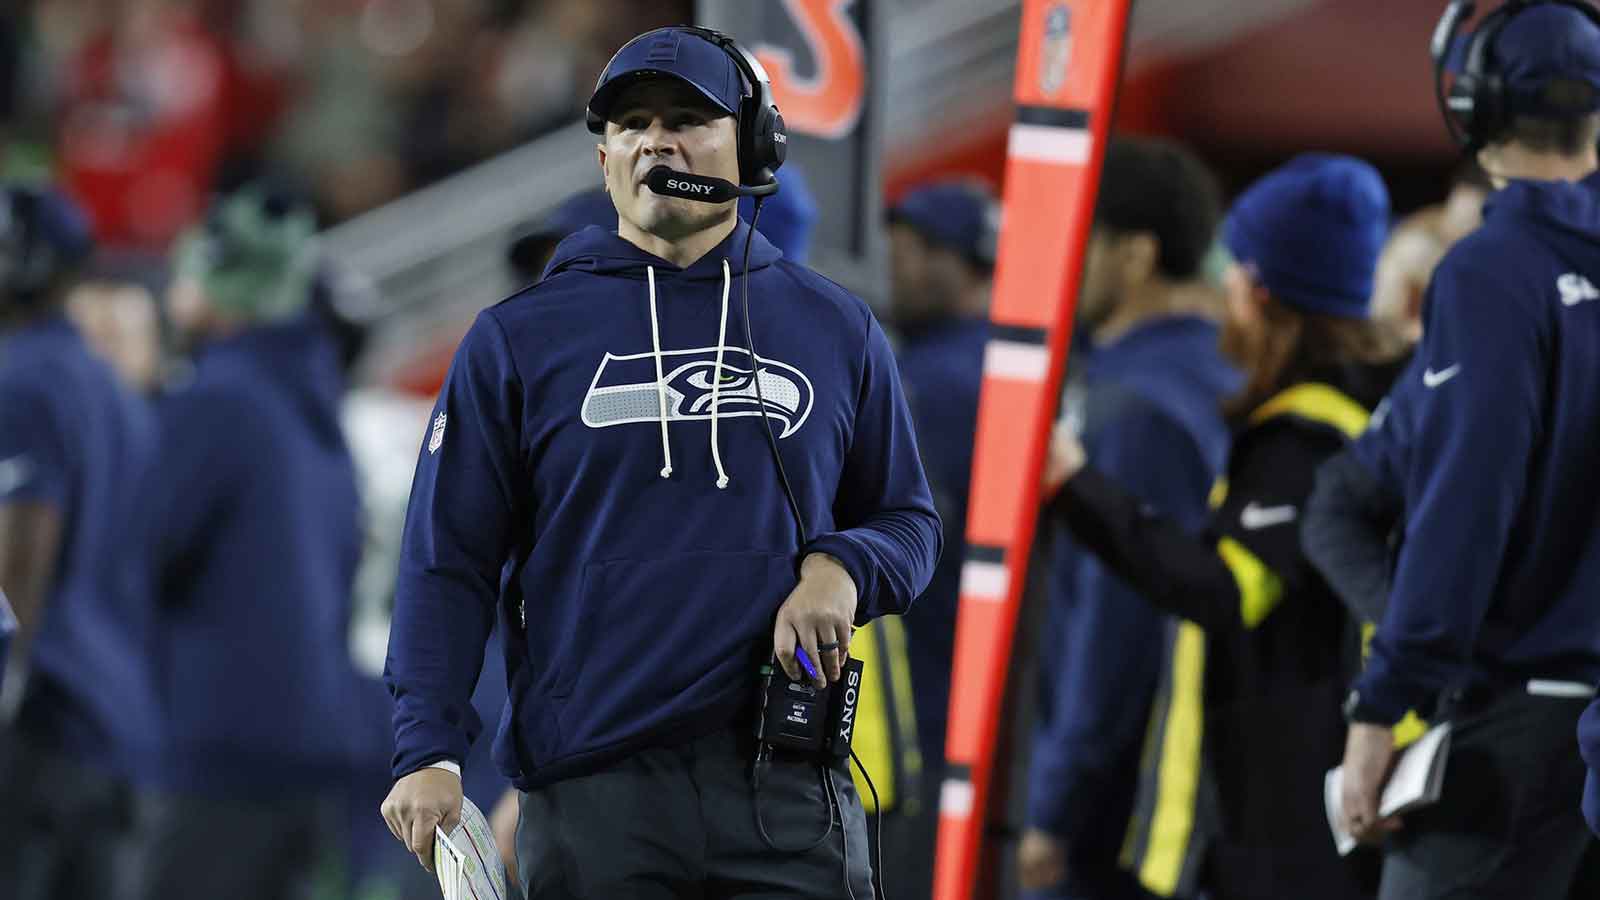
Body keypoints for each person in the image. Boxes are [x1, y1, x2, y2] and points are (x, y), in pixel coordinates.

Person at [380, 24, 941, 900]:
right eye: (633, 123)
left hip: (787, 794)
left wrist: (843, 568)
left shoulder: (834, 328)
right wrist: (427, 749)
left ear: (753, 148)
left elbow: (909, 522)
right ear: (605, 158)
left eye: (688, 119)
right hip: (600, 800)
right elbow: (445, 561)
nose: (656, 140)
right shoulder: (517, 340)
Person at [1039, 154, 1394, 900]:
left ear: (1264, 292)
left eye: (1236, 268)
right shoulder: (1351, 417)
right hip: (1293, 815)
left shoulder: (1307, 439)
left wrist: (1076, 486)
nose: (1222, 287)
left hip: (1290, 827)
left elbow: (1227, 589)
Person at [1340, 5, 1600, 898]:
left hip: (1515, 729)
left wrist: (1382, 704)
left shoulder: (1494, 270)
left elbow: (1463, 508)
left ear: (1473, 103)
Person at [1017, 137, 1239, 900]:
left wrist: (1053, 805)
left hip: (1113, 824)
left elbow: (1113, 621)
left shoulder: (1135, 409)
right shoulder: (1212, 371)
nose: (1060, 253)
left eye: (1081, 233)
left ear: (1137, 254)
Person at [130, 184, 365, 900]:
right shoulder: (315, 408)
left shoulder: (218, 398)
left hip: (218, 748)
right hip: (307, 744)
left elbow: (141, 550)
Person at [0, 183, 161, 900]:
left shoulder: (24, 379)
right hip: (118, 726)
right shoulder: (112, 388)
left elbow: (19, 553)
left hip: (42, 728)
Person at [875, 177, 997, 900]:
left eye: (917, 249)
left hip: (924, 684)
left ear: (964, 262)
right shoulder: (1016, 365)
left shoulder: (932, 384)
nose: (898, 263)